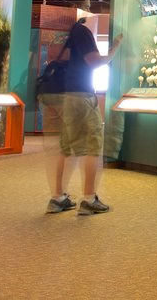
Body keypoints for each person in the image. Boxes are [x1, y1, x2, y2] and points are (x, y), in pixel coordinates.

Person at [45, 18, 123, 215]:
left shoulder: (60, 34)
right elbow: (96, 62)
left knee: (65, 148)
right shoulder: (81, 31)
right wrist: (115, 47)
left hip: (59, 94)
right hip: (80, 95)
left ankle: (58, 197)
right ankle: (89, 199)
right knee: (93, 145)